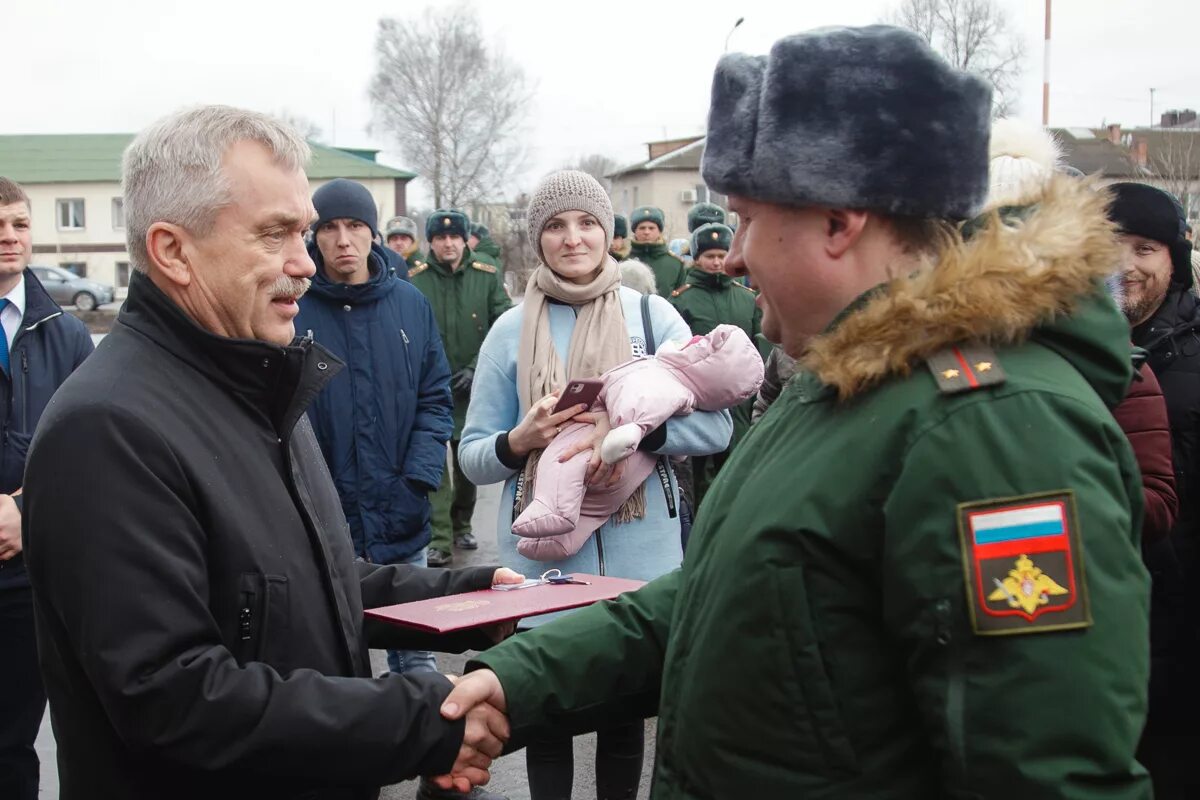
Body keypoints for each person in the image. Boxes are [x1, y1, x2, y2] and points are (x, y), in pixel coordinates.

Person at [438, 26, 1152, 797]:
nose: (733, 254)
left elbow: (1047, 772)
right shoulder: (840, 385)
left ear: (839, 223)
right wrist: (523, 675)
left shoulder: (994, 430)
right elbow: (724, 594)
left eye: (745, 217)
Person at [21, 105, 522, 800]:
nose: (305, 262)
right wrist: (420, 719)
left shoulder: (258, 378)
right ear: (173, 251)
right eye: (276, 234)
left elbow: (302, 586)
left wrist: (471, 597)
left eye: (305, 231)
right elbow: (175, 697)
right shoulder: (107, 429)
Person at [456, 170, 732, 800]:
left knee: (623, 721)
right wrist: (519, 441)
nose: (572, 238)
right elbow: (473, 457)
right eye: (555, 225)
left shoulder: (652, 314)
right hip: (543, 560)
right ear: (537, 240)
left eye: (586, 222)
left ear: (608, 231)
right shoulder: (509, 330)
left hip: (642, 556)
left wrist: (637, 433)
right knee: (544, 719)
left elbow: (715, 428)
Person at [297, 178, 453, 685]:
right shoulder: (291, 306)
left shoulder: (410, 305)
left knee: (416, 652)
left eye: (356, 226)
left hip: (399, 512)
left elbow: (434, 399)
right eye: (330, 227)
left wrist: (418, 481)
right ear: (314, 236)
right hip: (323, 517)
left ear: (374, 234)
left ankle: (435, 754)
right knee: (334, 658)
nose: (343, 240)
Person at [0, 177, 93, 800]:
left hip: (27, 577)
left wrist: (23, 510)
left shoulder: (65, 332)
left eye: (20, 225)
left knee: (12, 744)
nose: (9, 238)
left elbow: (92, 448)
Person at [1106, 181, 1198, 798]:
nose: (1126, 266)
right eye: (1111, 246)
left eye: (1144, 248)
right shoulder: (1071, 354)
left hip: (1184, 631)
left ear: (1174, 260)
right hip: (1105, 622)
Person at [410, 209, 512, 567]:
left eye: (454, 237)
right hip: (431, 389)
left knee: (468, 464)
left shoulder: (485, 276)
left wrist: (475, 367)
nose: (448, 244)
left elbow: (503, 324)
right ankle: (438, 539)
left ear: (465, 239)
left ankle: (461, 525)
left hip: (474, 387)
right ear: (431, 242)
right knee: (435, 467)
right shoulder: (415, 279)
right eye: (440, 238)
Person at [670, 222, 769, 507]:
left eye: (721, 255)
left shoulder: (746, 298)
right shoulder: (683, 300)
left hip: (741, 402)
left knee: (738, 468)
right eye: (709, 256)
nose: (716, 262)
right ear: (697, 258)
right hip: (698, 402)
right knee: (698, 473)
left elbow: (759, 347)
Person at [627, 205, 686, 297]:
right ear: (635, 231)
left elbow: (681, 299)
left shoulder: (675, 264)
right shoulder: (624, 261)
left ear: (659, 231)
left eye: (651, 228)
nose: (646, 232)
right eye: (642, 228)